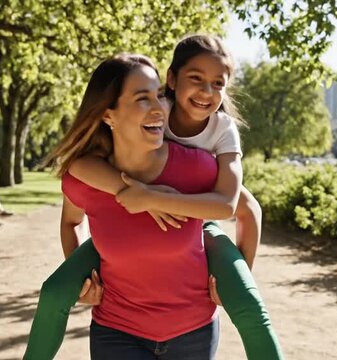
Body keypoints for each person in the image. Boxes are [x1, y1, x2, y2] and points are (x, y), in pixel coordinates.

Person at [25, 35, 283, 359]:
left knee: (249, 306)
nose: (159, 108)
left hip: (194, 308)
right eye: (142, 98)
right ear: (108, 115)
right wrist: (87, 283)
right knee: (53, 293)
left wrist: (152, 198)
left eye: (158, 96)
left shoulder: (207, 153)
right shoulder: (89, 172)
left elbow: (237, 206)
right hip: (116, 331)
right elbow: (73, 209)